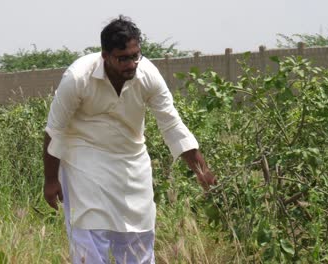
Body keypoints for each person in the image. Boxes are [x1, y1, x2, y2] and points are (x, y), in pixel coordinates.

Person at [43, 15, 216, 263]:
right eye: (122, 58)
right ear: (105, 56)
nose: (131, 64)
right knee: (90, 236)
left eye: (135, 56)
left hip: (131, 160)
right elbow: (54, 131)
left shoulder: (148, 75)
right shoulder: (78, 77)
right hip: (84, 159)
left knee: (138, 237)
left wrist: (202, 170)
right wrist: (51, 180)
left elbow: (172, 124)